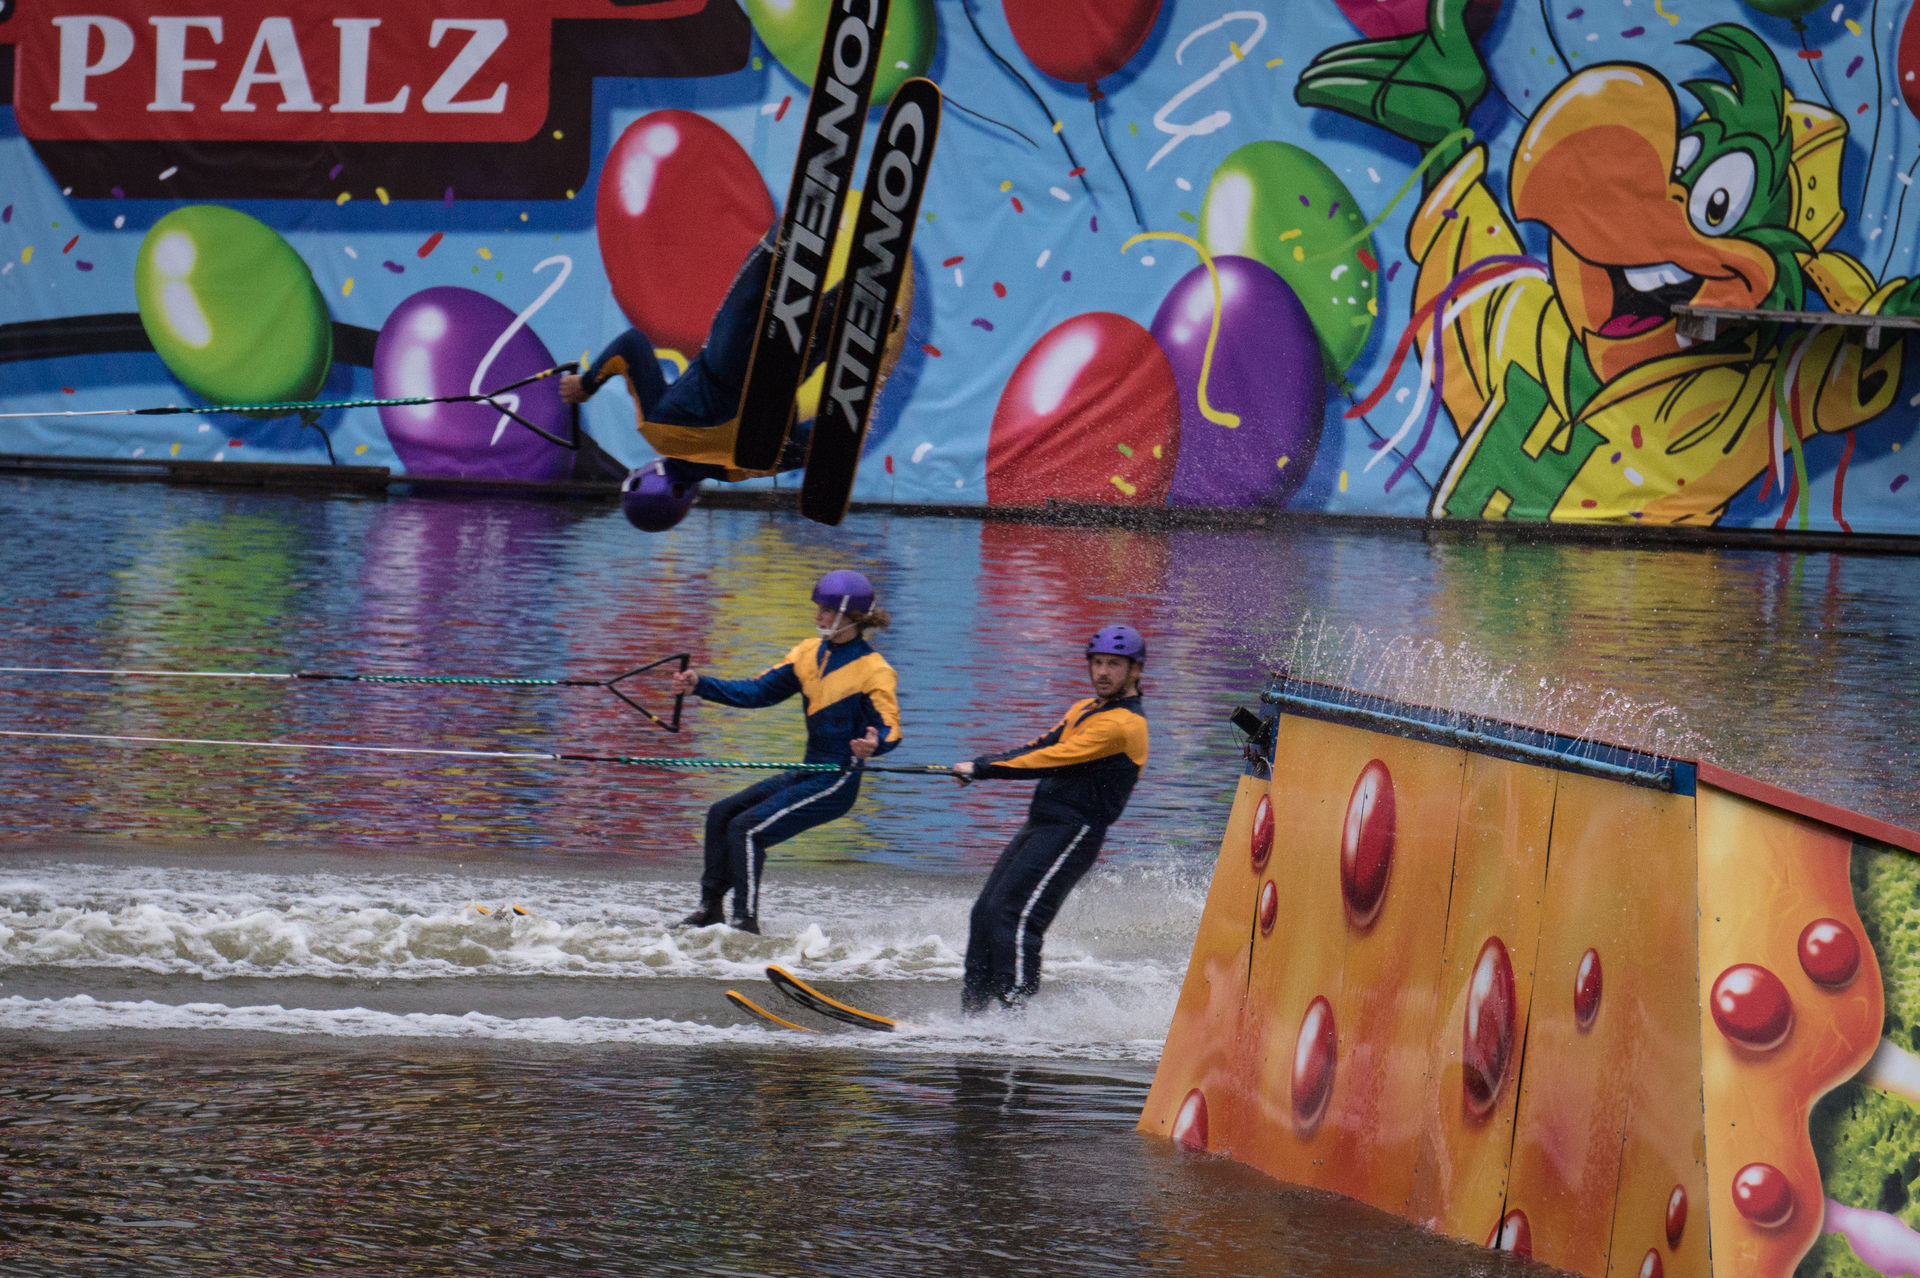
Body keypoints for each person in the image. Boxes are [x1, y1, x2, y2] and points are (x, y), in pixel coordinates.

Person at [561, 227, 914, 532]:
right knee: (765, 270)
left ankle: (865, 309)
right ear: (644, 471)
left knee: (819, 332)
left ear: (688, 501)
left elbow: (821, 447)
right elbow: (632, 344)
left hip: (780, 381)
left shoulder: (743, 469)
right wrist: (586, 385)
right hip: (729, 358)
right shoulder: (655, 429)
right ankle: (785, 242)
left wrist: (850, 425)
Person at [670, 569, 903, 933]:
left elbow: (891, 727)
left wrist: (875, 743)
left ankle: (745, 923)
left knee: (747, 830)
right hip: (809, 771)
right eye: (819, 608)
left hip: (837, 781)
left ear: (851, 617)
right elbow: (757, 692)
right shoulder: (807, 653)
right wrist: (700, 685)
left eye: (827, 610)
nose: (818, 616)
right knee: (721, 814)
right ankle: (710, 907)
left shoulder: (875, 670)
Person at [953, 625, 1150, 1013]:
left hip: (1075, 832)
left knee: (1016, 918)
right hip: (1042, 824)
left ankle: (1016, 1018)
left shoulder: (1123, 725)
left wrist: (982, 769)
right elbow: (1040, 746)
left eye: (1114, 664)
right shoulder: (1084, 709)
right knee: (986, 912)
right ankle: (972, 1014)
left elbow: (1051, 759)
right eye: (1097, 662)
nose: (1102, 672)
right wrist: (979, 765)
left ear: (1135, 670)